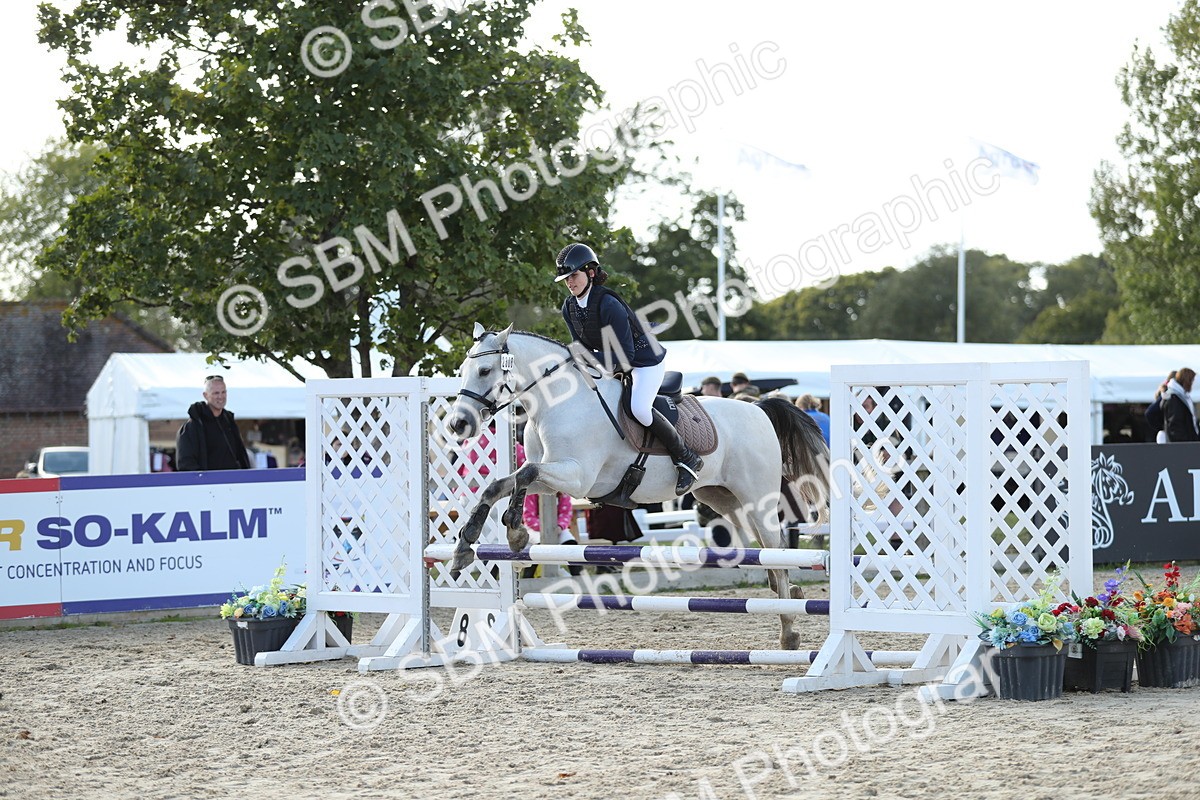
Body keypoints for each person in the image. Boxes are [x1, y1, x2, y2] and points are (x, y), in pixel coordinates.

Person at [556, 242, 702, 495]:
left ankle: (686, 458)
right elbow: (581, 348)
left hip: (644, 362)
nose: (570, 282)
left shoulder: (609, 304)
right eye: (566, 279)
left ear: (591, 272)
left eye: (574, 275)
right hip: (614, 364)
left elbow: (625, 357)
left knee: (639, 409)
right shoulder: (569, 308)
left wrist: (587, 358)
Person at [176, 375, 251, 470]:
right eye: (216, 393)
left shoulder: (229, 422)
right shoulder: (192, 427)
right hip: (208, 483)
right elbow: (185, 463)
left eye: (223, 392)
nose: (220, 397)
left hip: (234, 481)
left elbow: (240, 454)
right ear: (205, 395)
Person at [1161, 367, 1199, 443]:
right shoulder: (1174, 398)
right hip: (1183, 444)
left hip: (1188, 441)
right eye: (1191, 381)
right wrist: (1184, 441)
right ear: (1187, 381)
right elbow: (1175, 424)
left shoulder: (1181, 397)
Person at [1145, 370, 1177, 443]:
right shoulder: (1167, 394)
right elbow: (1150, 413)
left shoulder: (1165, 393)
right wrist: (1161, 426)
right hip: (1164, 433)